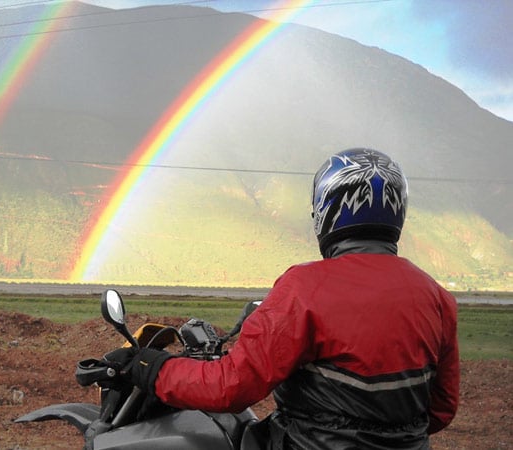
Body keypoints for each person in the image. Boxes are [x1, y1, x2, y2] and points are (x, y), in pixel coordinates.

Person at [114, 148, 460, 449]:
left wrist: (151, 367)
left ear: (326, 210)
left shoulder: (305, 288)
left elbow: (230, 387)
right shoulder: (437, 297)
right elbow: (442, 408)